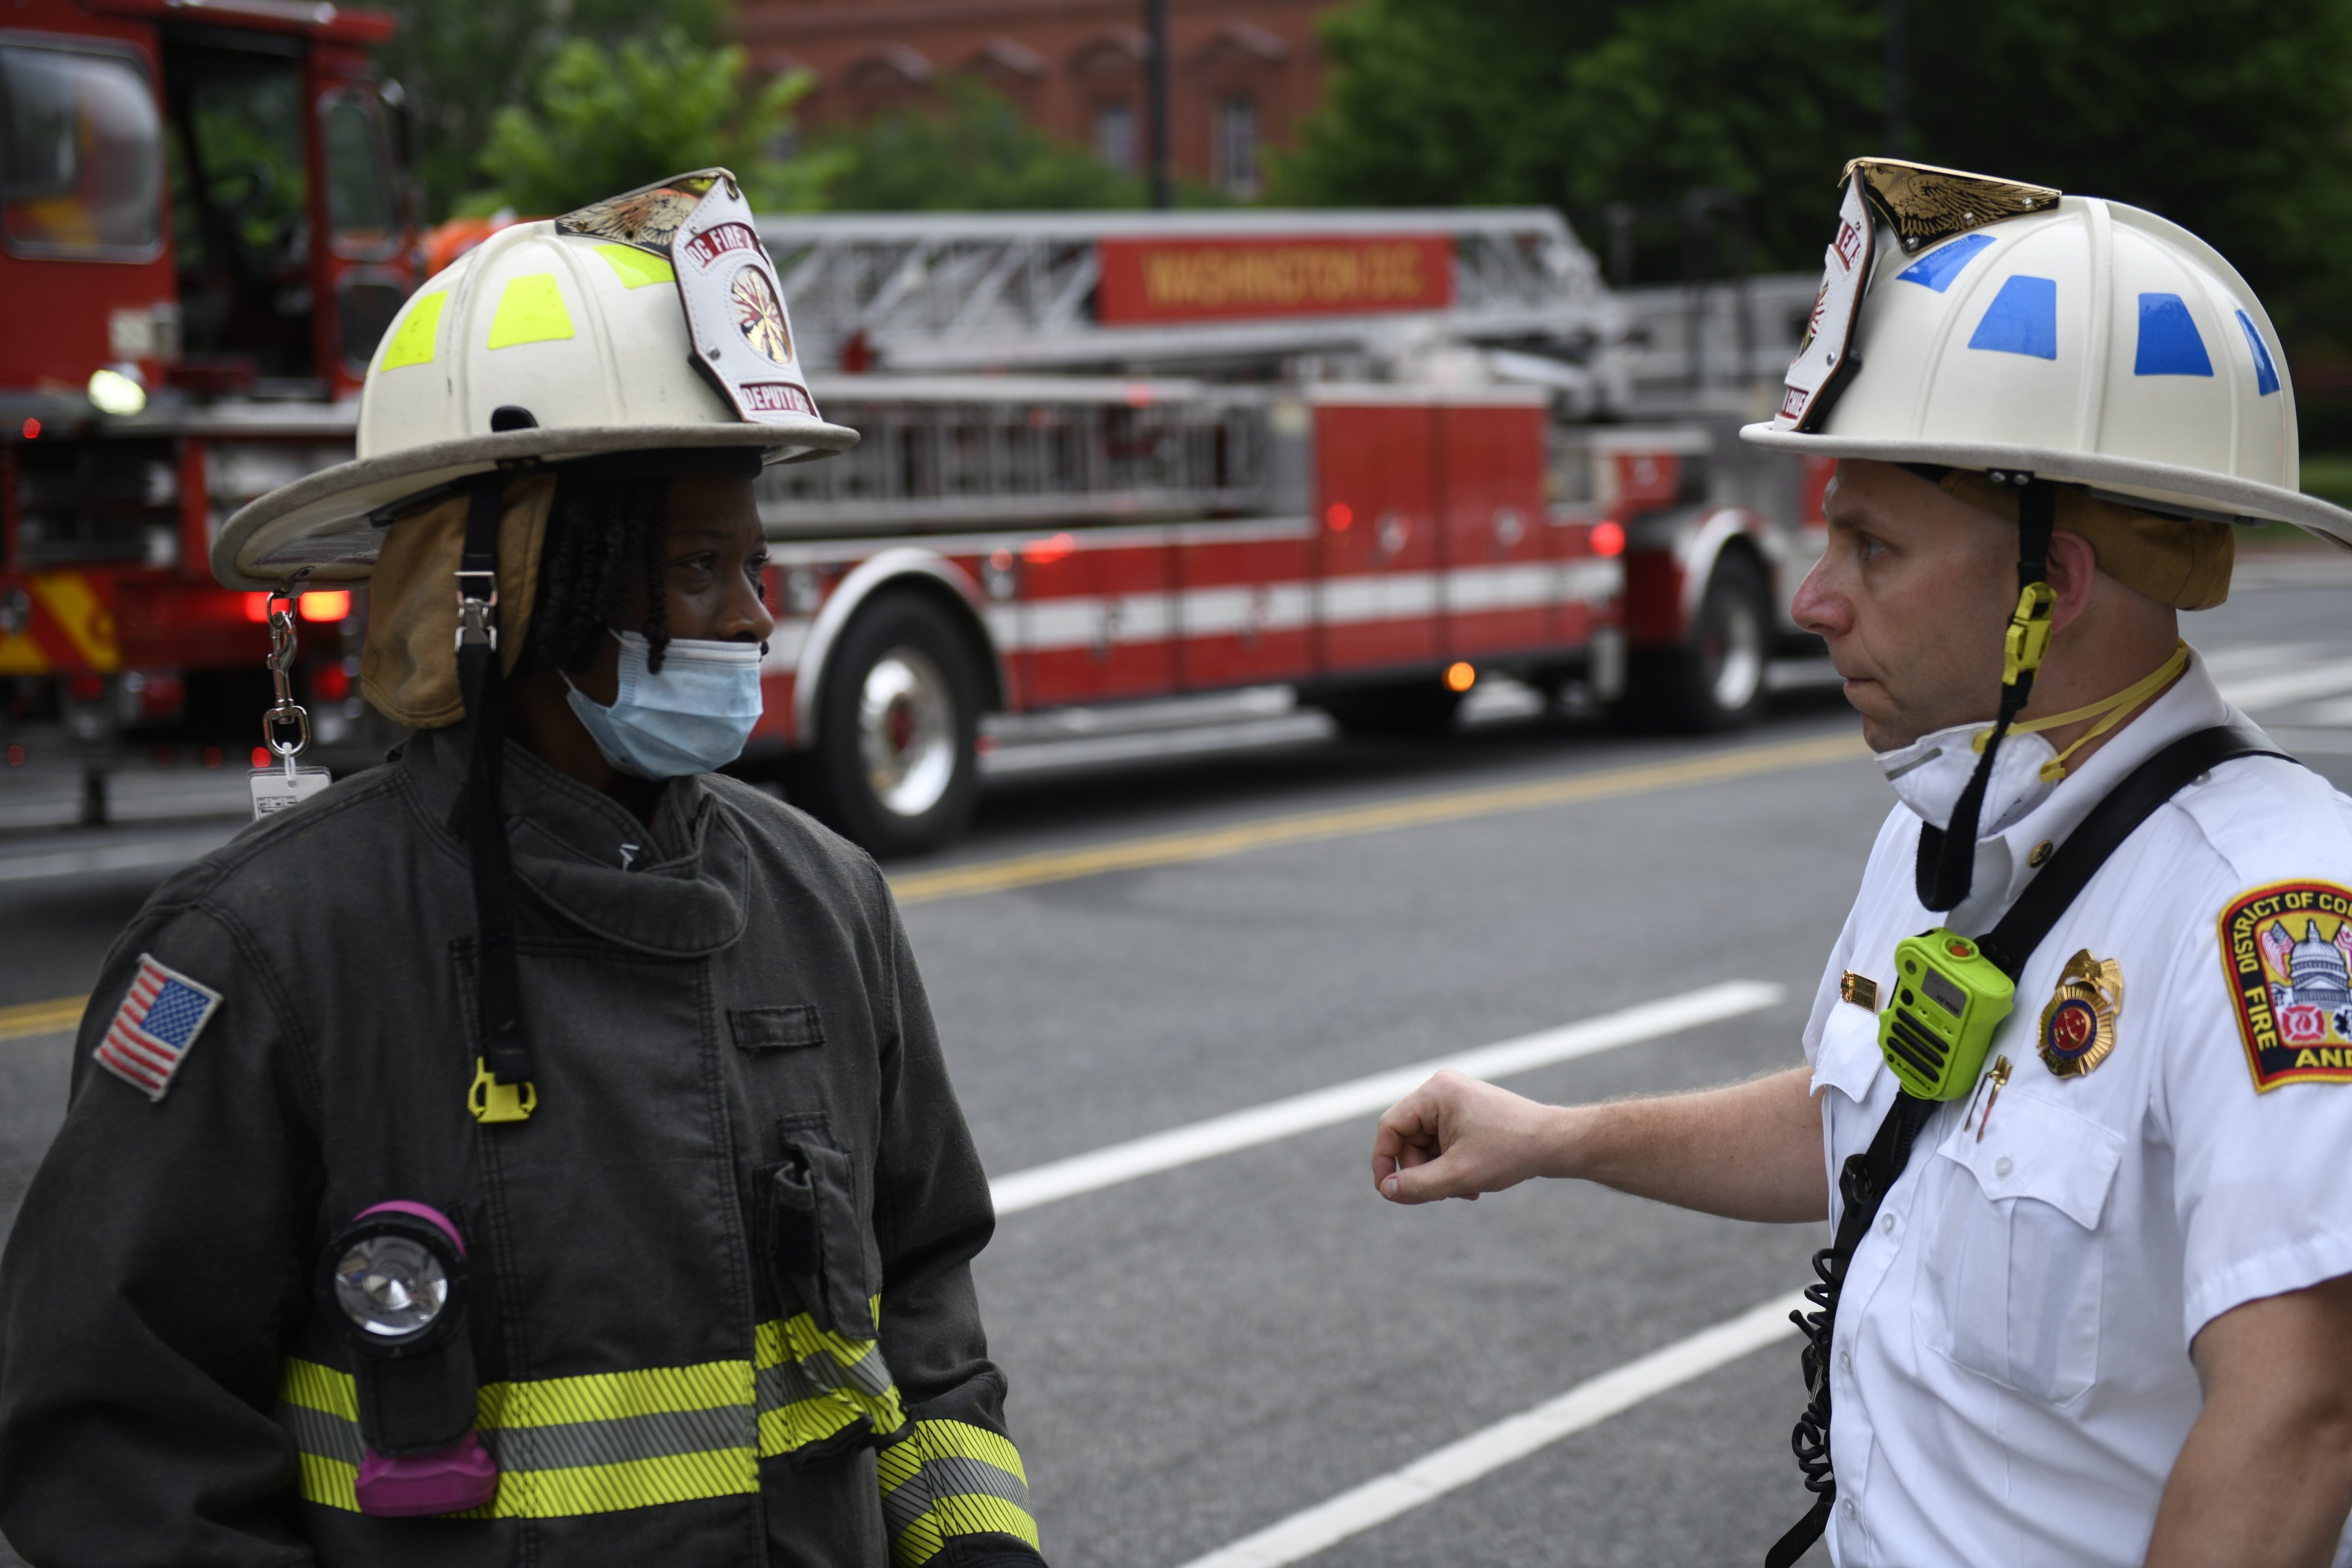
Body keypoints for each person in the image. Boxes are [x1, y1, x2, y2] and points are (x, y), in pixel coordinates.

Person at [0, 171, 1045, 1568]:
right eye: (694, 569)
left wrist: (979, 1551)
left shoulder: (827, 899)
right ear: (508, 591)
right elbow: (116, 1444)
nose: (753, 613)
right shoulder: (258, 955)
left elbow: (920, 1300)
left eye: (755, 562)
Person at [1371, 160, 2352, 1568]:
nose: (1815, 599)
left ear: (2048, 591)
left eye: (1871, 545)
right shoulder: (1946, 822)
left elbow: (2299, 1418)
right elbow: (1871, 1116)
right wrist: (1557, 1138)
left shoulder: (2269, 915)